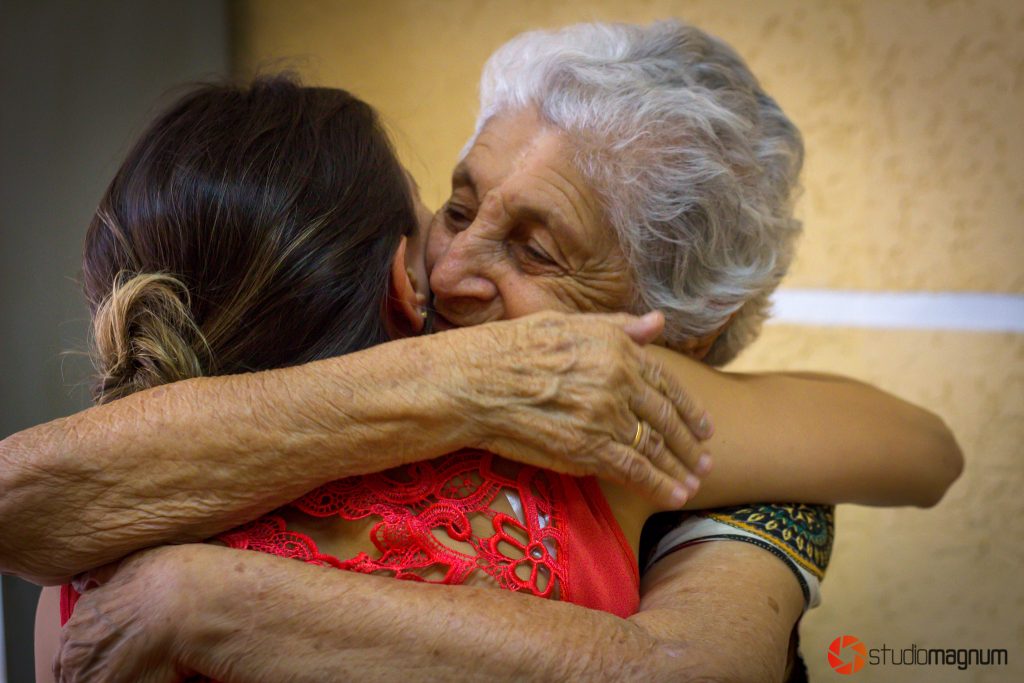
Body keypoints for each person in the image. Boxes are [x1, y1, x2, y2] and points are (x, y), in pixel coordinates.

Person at [1, 21, 961, 683]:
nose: (451, 265)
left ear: (678, 328)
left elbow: (922, 447)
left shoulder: (615, 409)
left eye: (537, 252)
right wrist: (458, 381)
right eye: (456, 206)